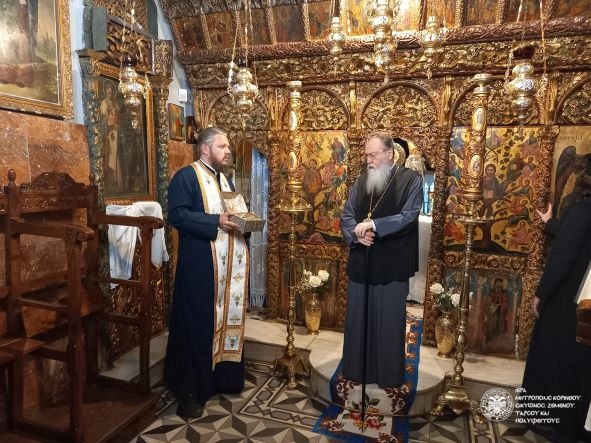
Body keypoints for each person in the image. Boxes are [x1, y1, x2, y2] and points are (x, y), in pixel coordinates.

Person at [164, 127, 248, 419]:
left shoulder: (225, 179)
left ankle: (220, 378)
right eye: (222, 146)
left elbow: (234, 214)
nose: (228, 151)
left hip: (226, 269)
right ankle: (188, 390)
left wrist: (246, 222)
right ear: (205, 149)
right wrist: (215, 221)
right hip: (199, 266)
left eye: (228, 147)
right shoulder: (186, 177)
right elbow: (177, 216)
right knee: (195, 324)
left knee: (219, 320)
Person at [340, 132, 422, 388]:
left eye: (373, 155)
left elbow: (409, 216)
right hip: (362, 260)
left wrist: (373, 225)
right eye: (366, 155)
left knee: (388, 322)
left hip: (392, 264)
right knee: (358, 321)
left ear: (389, 154)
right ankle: (356, 370)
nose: (368, 160)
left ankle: (387, 375)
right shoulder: (361, 180)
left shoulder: (411, 180)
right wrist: (356, 234)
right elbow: (347, 215)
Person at [521, 175, 591, 442]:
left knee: (556, 360)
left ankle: (551, 420)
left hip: (568, 304)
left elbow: (564, 257)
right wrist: (551, 223)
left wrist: (541, 293)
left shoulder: (583, 210)